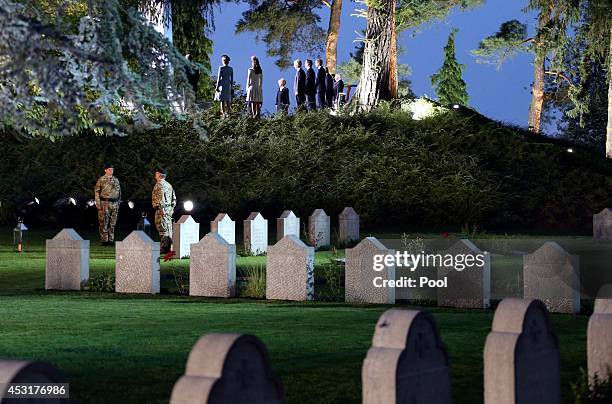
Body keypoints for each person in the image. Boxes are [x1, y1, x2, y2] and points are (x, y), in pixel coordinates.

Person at [94, 162, 121, 246]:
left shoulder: (116, 180)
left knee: (112, 223)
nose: (111, 171)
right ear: (105, 170)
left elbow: (120, 193)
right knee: (104, 222)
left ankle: (111, 239)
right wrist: (98, 203)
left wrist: (118, 203)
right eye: (109, 169)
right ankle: (104, 240)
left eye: (112, 169)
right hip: (104, 202)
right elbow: (97, 191)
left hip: (114, 203)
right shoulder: (101, 179)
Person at [152, 168, 176, 254]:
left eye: (156, 173)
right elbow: (174, 199)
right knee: (168, 228)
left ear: (158, 174)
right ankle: (168, 246)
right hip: (168, 210)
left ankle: (164, 248)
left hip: (161, 210)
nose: (155, 175)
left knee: (162, 228)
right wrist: (171, 209)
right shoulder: (169, 185)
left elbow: (160, 198)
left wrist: (162, 209)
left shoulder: (159, 185)